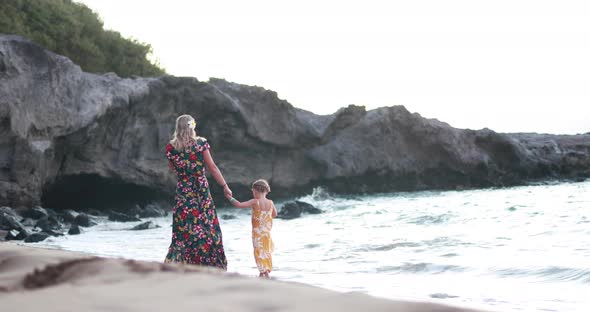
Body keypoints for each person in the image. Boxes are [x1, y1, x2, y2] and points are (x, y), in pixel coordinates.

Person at [164, 114, 232, 270]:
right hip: (200, 189)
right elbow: (212, 167)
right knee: (206, 225)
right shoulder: (201, 144)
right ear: (191, 126)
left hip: (183, 190)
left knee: (184, 228)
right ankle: (209, 263)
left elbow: (172, 169)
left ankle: (182, 263)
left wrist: (185, 170)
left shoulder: (171, 148)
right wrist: (224, 185)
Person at [226, 179, 277, 278]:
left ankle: (264, 273)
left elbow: (239, 205)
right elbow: (274, 214)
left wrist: (229, 197)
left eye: (253, 191)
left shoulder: (255, 201)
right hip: (266, 234)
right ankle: (263, 273)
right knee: (266, 252)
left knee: (258, 252)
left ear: (257, 190)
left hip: (257, 234)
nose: (253, 193)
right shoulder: (270, 203)